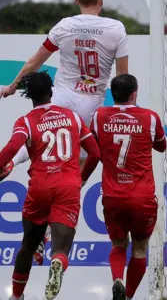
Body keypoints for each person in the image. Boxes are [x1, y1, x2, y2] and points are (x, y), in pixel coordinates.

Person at [0, 0, 129, 265]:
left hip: (61, 96)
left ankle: (12, 161)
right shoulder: (116, 29)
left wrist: (11, 86)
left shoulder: (64, 26)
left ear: (76, 0)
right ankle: (49, 230)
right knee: (74, 171)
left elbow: (36, 60)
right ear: (101, 0)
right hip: (89, 103)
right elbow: (122, 79)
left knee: (37, 138)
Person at [0, 71, 100, 300]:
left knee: (27, 244)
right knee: (61, 248)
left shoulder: (26, 121)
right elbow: (95, 152)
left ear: (29, 96)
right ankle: (56, 262)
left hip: (40, 188)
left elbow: (12, 147)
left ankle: (16, 296)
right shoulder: (72, 117)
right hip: (67, 187)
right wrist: (81, 177)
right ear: (51, 91)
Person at [80, 74, 166, 300]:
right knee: (139, 248)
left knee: (118, 244)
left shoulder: (99, 117)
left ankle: (117, 278)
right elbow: (161, 146)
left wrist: (82, 178)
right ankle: (127, 296)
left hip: (113, 196)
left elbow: (94, 152)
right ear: (134, 94)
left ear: (112, 94)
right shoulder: (150, 117)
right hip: (142, 197)